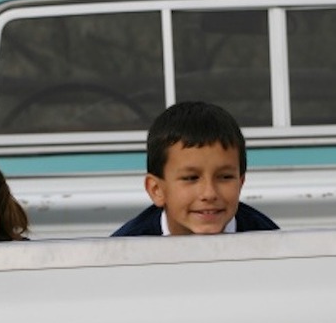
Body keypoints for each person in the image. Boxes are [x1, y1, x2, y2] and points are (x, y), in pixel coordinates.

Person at [112, 101, 279, 236]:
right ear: (157, 190)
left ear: (241, 182)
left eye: (225, 177)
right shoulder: (123, 255)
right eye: (191, 178)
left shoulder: (271, 243)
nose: (209, 194)